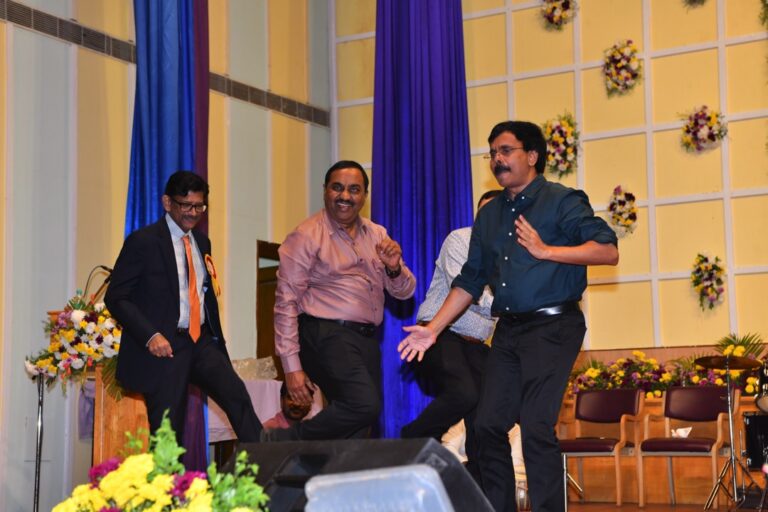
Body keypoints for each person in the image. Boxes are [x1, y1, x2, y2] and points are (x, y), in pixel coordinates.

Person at [397, 121, 618, 512]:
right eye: (492, 153)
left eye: (505, 151)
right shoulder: (490, 216)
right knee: (486, 425)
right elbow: (469, 281)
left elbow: (607, 251)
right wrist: (432, 330)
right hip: (509, 331)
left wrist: (547, 251)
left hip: (554, 326)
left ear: (531, 156)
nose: (497, 159)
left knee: (535, 426)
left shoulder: (561, 200)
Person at [105, 171, 262, 444]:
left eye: (199, 206)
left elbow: (205, 295)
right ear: (167, 202)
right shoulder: (143, 242)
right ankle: (167, 474)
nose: (193, 213)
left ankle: (267, 463)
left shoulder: (202, 242)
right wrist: (151, 335)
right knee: (168, 433)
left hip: (201, 342)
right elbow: (116, 297)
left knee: (237, 396)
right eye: (186, 205)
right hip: (166, 347)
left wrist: (217, 340)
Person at [272, 160, 417, 440]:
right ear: (325, 190)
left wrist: (393, 267)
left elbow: (405, 292)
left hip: (367, 339)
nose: (345, 196)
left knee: (359, 428)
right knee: (364, 404)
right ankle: (286, 439)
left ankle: (320, 467)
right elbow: (285, 303)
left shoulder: (377, 234)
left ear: (365, 195)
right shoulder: (306, 235)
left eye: (354, 189)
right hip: (325, 333)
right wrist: (292, 368)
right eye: (337, 188)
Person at [400, 189, 502, 480]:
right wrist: (509, 304)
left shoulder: (511, 254)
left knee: (485, 416)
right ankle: (413, 440)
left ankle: (477, 487)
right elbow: (470, 292)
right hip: (439, 333)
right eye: (483, 214)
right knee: (464, 392)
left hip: (477, 345)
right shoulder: (460, 240)